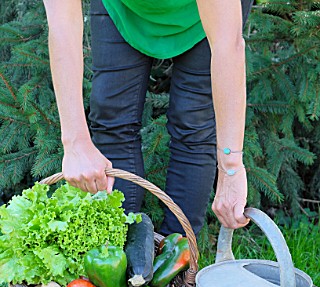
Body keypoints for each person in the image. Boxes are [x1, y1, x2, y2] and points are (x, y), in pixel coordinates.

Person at [42, 0, 253, 235]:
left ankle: (180, 261)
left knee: (193, 125)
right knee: (111, 117)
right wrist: (75, 143)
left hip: (205, 13)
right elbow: (62, 25)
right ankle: (117, 258)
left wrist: (230, 167)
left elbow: (227, 45)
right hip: (121, 6)